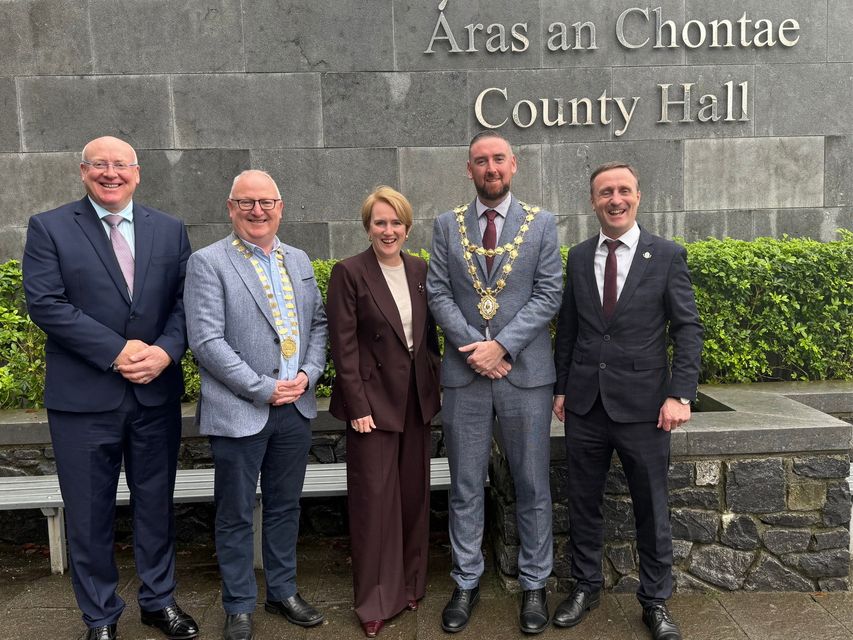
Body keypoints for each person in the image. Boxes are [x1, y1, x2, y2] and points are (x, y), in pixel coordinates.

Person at [22, 136, 198, 640]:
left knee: (156, 505)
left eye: (121, 165)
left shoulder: (168, 229)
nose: (111, 173)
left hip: (153, 394)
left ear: (138, 173)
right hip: (83, 401)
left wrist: (164, 351)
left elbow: (188, 302)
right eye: (100, 165)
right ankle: (100, 616)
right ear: (83, 171)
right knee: (89, 515)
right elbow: (47, 304)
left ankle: (158, 601)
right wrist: (117, 352)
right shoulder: (50, 228)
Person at [551, 162, 703, 640]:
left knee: (651, 506)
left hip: (645, 407)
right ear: (593, 201)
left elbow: (687, 328)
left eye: (623, 191)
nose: (614, 200)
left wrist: (680, 394)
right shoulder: (576, 257)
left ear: (638, 196)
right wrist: (560, 388)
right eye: (604, 193)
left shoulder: (666, 255)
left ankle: (655, 602)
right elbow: (569, 330)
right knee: (583, 501)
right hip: (585, 406)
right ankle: (585, 585)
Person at [427, 131, 562, 634]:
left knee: (531, 483)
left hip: (525, 376)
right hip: (465, 376)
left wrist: (501, 346)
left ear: (514, 164)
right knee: (464, 484)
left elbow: (549, 294)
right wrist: (476, 351)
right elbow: (438, 293)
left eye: (498, 159)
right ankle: (465, 580)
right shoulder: (447, 226)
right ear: (469, 169)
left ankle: (534, 585)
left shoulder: (542, 223)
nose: (491, 168)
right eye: (481, 161)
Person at [184, 170, 328, 640]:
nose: (257, 211)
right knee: (236, 511)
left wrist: (308, 374)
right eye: (246, 203)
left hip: (297, 408)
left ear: (281, 207)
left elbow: (320, 323)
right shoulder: (208, 263)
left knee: (286, 507)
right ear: (231, 208)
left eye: (266, 202)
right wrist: (261, 387)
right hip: (240, 409)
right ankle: (240, 603)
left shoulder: (299, 259)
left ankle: (282, 590)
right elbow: (206, 340)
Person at [326, 186, 441, 638]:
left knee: (413, 498)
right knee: (375, 505)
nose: (388, 230)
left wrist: (431, 385)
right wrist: (356, 404)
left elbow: (428, 339)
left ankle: (411, 584)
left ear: (407, 227)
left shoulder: (419, 269)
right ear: (367, 226)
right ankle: (375, 599)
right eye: (379, 222)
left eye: (395, 222)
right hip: (371, 406)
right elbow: (344, 344)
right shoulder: (349, 272)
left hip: (415, 402)